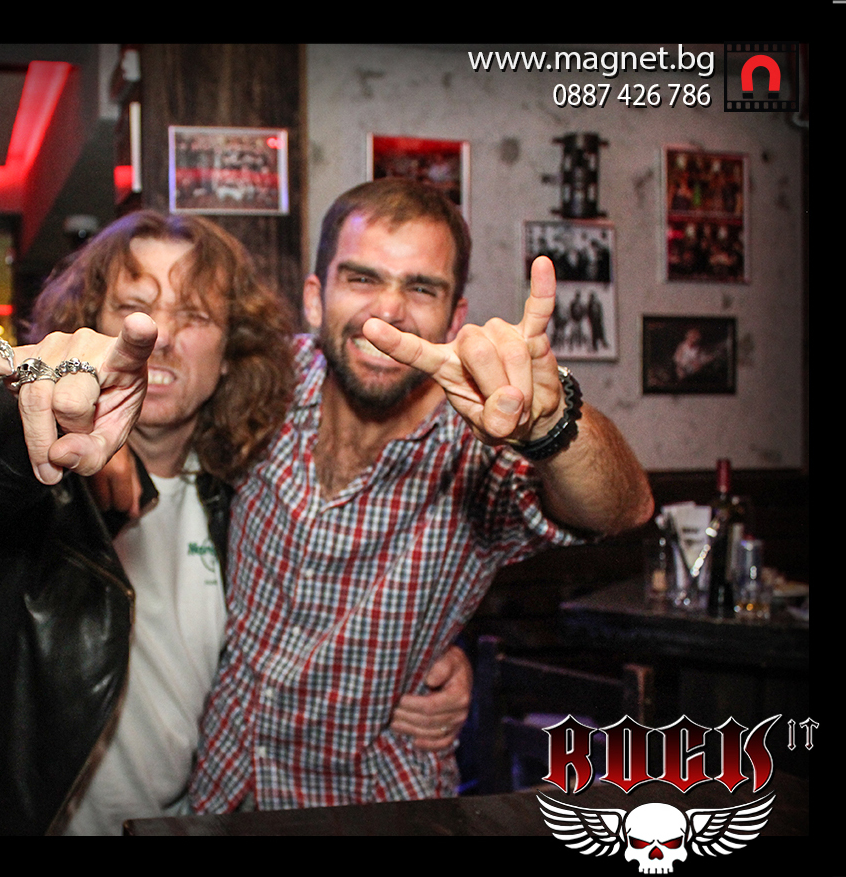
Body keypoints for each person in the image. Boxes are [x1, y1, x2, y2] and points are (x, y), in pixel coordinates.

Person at [0, 210, 472, 836]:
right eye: (134, 308)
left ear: (230, 354)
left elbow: (298, 621)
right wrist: (28, 410)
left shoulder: (240, 490)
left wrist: (435, 659)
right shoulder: (46, 484)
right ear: (89, 327)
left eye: (195, 316)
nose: (160, 337)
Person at [183, 178, 654, 812]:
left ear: (455, 318)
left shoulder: (478, 448)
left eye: (421, 288)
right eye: (362, 279)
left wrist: (552, 424)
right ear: (316, 298)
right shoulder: (263, 384)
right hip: (219, 790)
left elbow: (624, 507)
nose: (389, 312)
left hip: (369, 809)